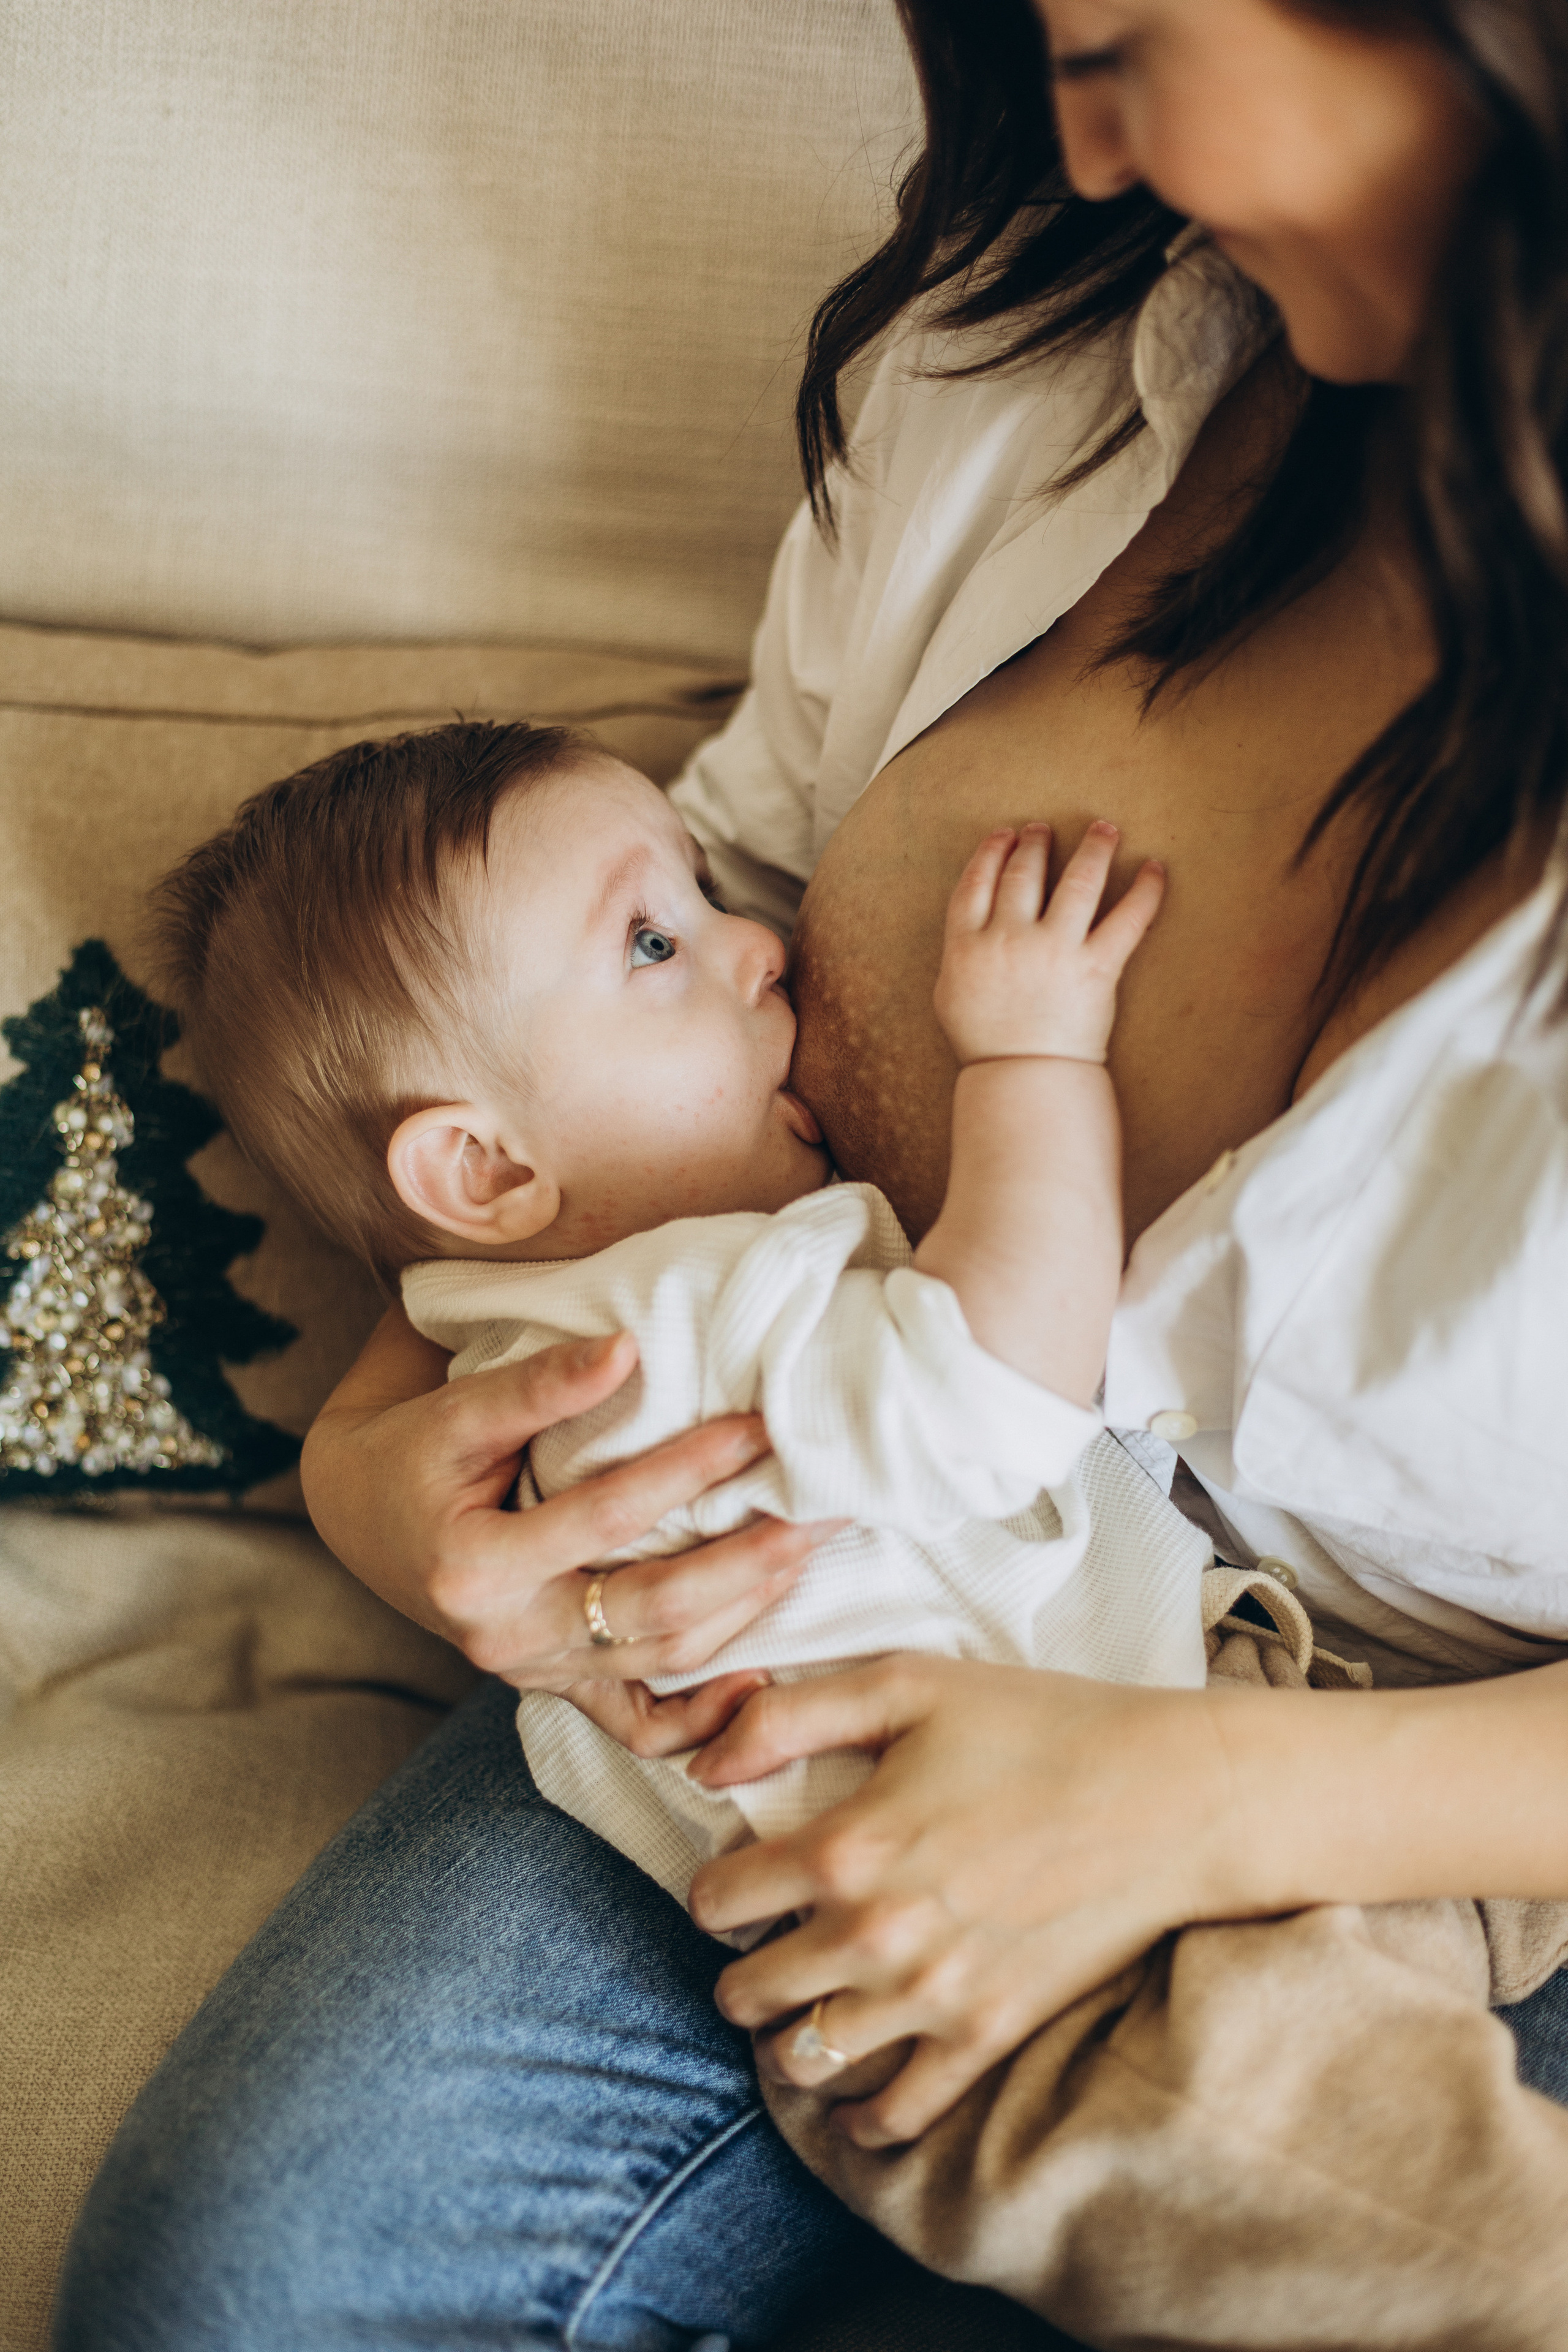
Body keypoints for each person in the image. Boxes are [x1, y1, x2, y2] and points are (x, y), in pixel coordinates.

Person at [53, 0, 1568, 2346]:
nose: (1079, 147)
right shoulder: (1035, 352)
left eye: (1138, 37)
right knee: (253, 2298)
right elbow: (574, 1059)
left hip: (1456, 1766)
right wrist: (383, 1472)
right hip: (806, 1650)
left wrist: (1199, 1807)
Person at [150, 712, 1219, 1921]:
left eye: (705, 895)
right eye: (654, 942)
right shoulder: (672, 1338)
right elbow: (990, 1399)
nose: (761, 943)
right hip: (1048, 1918)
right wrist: (1031, 1060)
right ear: (488, 1175)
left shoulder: (540, 1348)